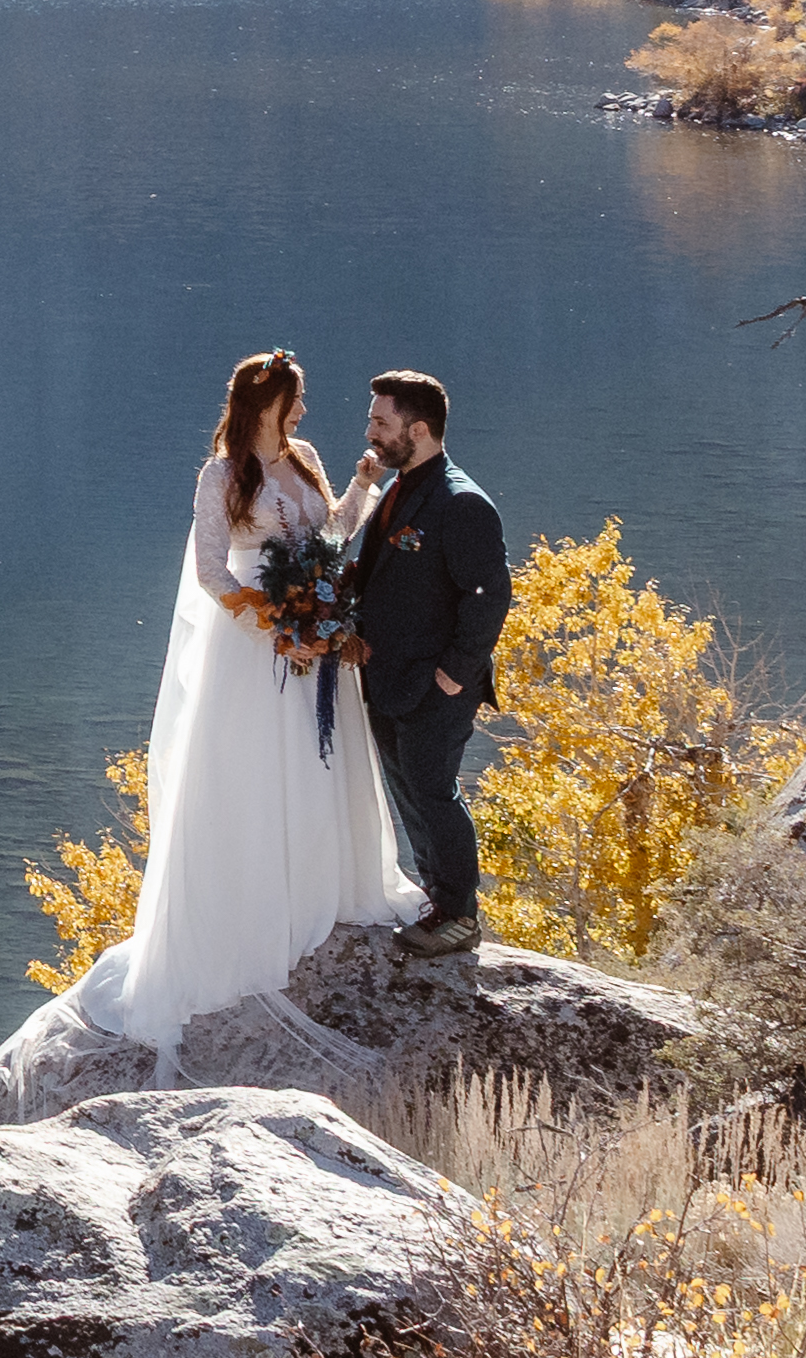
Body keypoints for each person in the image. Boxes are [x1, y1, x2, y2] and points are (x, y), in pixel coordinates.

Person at [41, 346, 405, 1063]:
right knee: (250, 777)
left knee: (316, 765)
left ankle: (319, 896)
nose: (302, 410)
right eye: (294, 399)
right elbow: (212, 570)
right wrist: (274, 627)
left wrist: (360, 491)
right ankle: (251, 919)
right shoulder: (220, 475)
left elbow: (325, 537)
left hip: (307, 640)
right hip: (249, 650)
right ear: (267, 403)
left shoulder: (301, 458)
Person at [332, 365, 515, 953]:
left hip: (435, 685)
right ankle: (438, 897)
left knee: (434, 791)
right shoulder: (398, 487)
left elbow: (490, 595)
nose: (370, 433)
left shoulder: (462, 503)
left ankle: (460, 914)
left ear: (418, 428)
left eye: (380, 423)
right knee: (409, 789)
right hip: (387, 678)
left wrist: (456, 673)